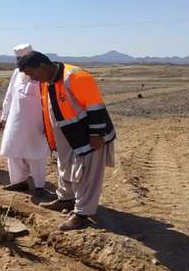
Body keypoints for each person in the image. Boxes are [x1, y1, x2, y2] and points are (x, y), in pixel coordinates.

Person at [18, 51, 116, 231]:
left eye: (32, 73)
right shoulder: (48, 80)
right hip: (68, 134)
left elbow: (95, 106)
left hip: (89, 135)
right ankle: (66, 199)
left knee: (87, 173)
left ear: (42, 66)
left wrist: (96, 134)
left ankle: (82, 213)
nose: (32, 78)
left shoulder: (75, 76)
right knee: (65, 166)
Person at [0, 44, 51, 199]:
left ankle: (39, 186)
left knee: (37, 154)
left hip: (37, 122)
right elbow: (9, 96)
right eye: (18, 59)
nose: (20, 62)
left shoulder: (43, 74)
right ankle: (19, 182)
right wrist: (4, 117)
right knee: (14, 151)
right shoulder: (16, 73)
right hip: (16, 121)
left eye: (23, 59)